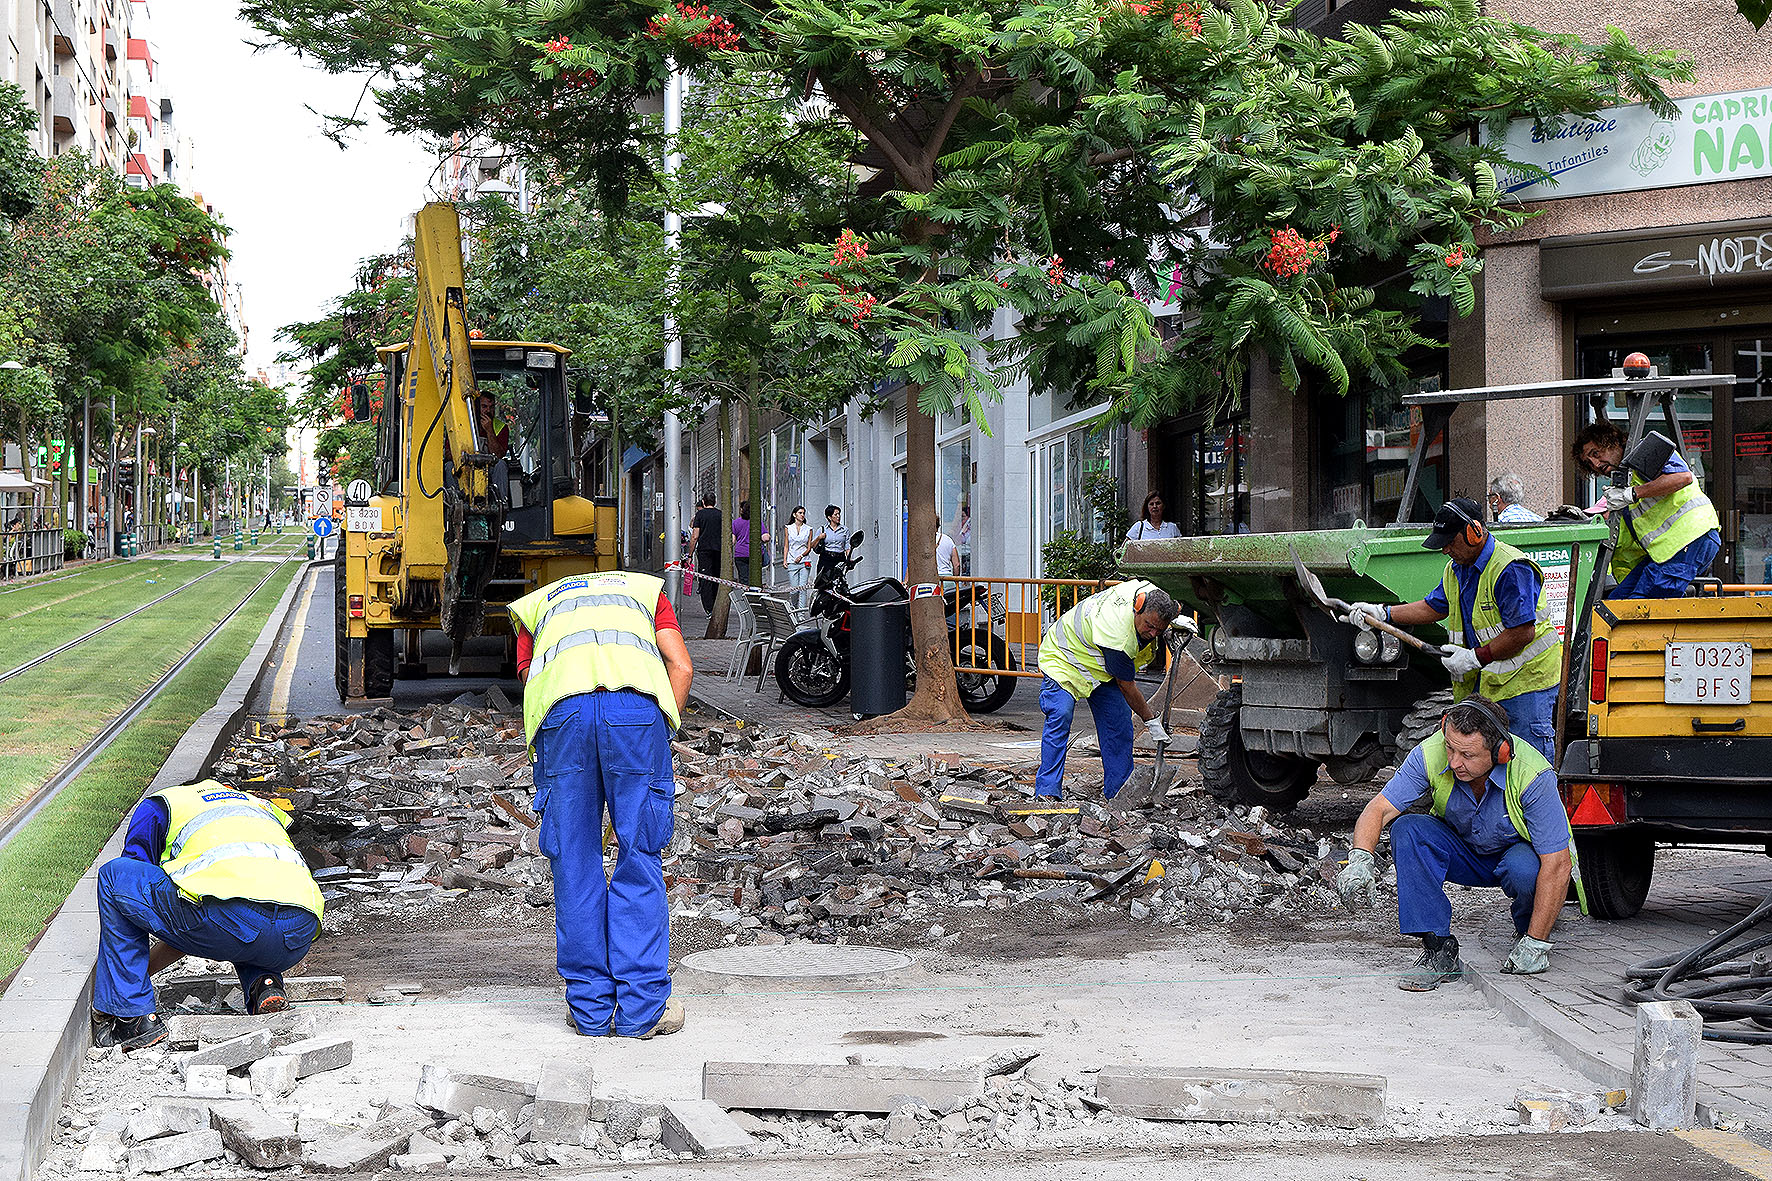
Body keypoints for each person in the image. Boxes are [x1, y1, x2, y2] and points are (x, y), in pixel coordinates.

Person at [508, 569, 694, 1038]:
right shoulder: (645, 593)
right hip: (634, 715)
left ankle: (590, 1011)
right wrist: (657, 732)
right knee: (639, 854)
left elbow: (533, 680)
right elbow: (682, 667)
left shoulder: (538, 606)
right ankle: (642, 1011)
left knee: (574, 861)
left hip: (564, 719)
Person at [1335, 696, 1577, 991]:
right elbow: (1379, 808)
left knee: (1525, 870)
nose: (1454, 762)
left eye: (1467, 755)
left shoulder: (1532, 774)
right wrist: (1360, 858)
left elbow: (1558, 863)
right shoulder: (1432, 752)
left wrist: (1538, 943)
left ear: (1499, 751)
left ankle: (1529, 931)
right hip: (1462, 850)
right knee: (1409, 829)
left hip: (1515, 855)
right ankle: (1438, 949)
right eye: (1450, 748)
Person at [92, 780, 325, 1049]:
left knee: (114, 876)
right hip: (298, 933)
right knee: (248, 918)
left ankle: (131, 1018)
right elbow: (184, 922)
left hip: (229, 921)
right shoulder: (255, 805)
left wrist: (125, 982)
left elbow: (136, 904)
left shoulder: (164, 804)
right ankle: (264, 983)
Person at [1348, 497, 1561, 763]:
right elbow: (1434, 606)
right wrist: (1383, 613)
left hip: (1525, 684)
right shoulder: (1456, 569)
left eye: (1450, 542)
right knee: (1488, 764)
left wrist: (1473, 658)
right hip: (1490, 685)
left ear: (1474, 532)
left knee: (1527, 766)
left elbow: (1522, 633)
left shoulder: (1510, 568)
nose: (1445, 550)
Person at [1035, 581, 1181, 800]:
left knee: (1118, 724)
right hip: (1064, 659)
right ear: (1137, 608)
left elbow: (1167, 611)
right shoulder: (1117, 635)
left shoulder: (1149, 594)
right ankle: (1047, 792)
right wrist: (1150, 720)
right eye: (1149, 625)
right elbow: (1127, 687)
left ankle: (1119, 792)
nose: (1152, 633)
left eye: (1159, 630)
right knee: (1061, 714)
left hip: (1099, 666)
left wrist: (1175, 625)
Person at [1572, 422, 1722, 599]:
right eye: (1589, 463)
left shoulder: (1646, 452)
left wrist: (1632, 494)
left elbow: (1683, 477)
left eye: (1595, 454)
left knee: (1639, 607)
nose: (1596, 464)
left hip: (1691, 537)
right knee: (1614, 604)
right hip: (1669, 550)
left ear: (1611, 440)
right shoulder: (1624, 482)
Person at [689, 494, 722, 613]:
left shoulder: (700, 515)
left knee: (705, 580)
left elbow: (695, 536)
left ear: (703, 502)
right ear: (715, 501)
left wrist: (690, 555)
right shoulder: (721, 514)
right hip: (718, 551)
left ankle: (709, 608)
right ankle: (715, 605)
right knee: (716, 578)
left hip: (704, 551)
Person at [782, 505, 813, 608]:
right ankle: (795, 608)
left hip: (805, 561)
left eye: (803, 513)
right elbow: (786, 545)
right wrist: (784, 559)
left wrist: (801, 555)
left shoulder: (809, 529)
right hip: (792, 560)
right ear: (794, 515)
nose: (802, 515)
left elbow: (809, 547)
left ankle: (801, 613)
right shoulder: (788, 528)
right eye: (800, 513)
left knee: (802, 588)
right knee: (794, 589)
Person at [812, 504, 849, 576]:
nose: (838, 516)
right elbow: (812, 545)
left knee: (839, 582)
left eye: (839, 514)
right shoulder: (822, 529)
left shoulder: (845, 530)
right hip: (826, 558)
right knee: (823, 583)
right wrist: (819, 538)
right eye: (835, 514)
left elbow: (847, 546)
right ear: (829, 517)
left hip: (840, 558)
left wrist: (848, 558)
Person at [731, 499, 758, 585]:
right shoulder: (756, 522)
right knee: (754, 578)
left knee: (743, 578)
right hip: (754, 553)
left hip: (740, 553)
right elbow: (765, 537)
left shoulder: (735, 522)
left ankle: (745, 595)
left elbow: (733, 540)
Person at [934, 513, 958, 577]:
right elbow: (956, 565)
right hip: (947, 578)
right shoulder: (948, 540)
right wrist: (955, 579)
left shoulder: (925, 541)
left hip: (931, 579)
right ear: (938, 526)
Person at [956, 505, 972, 574]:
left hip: (969, 555)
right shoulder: (961, 529)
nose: (962, 519)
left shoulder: (970, 529)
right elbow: (957, 541)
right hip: (963, 555)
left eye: (963, 516)